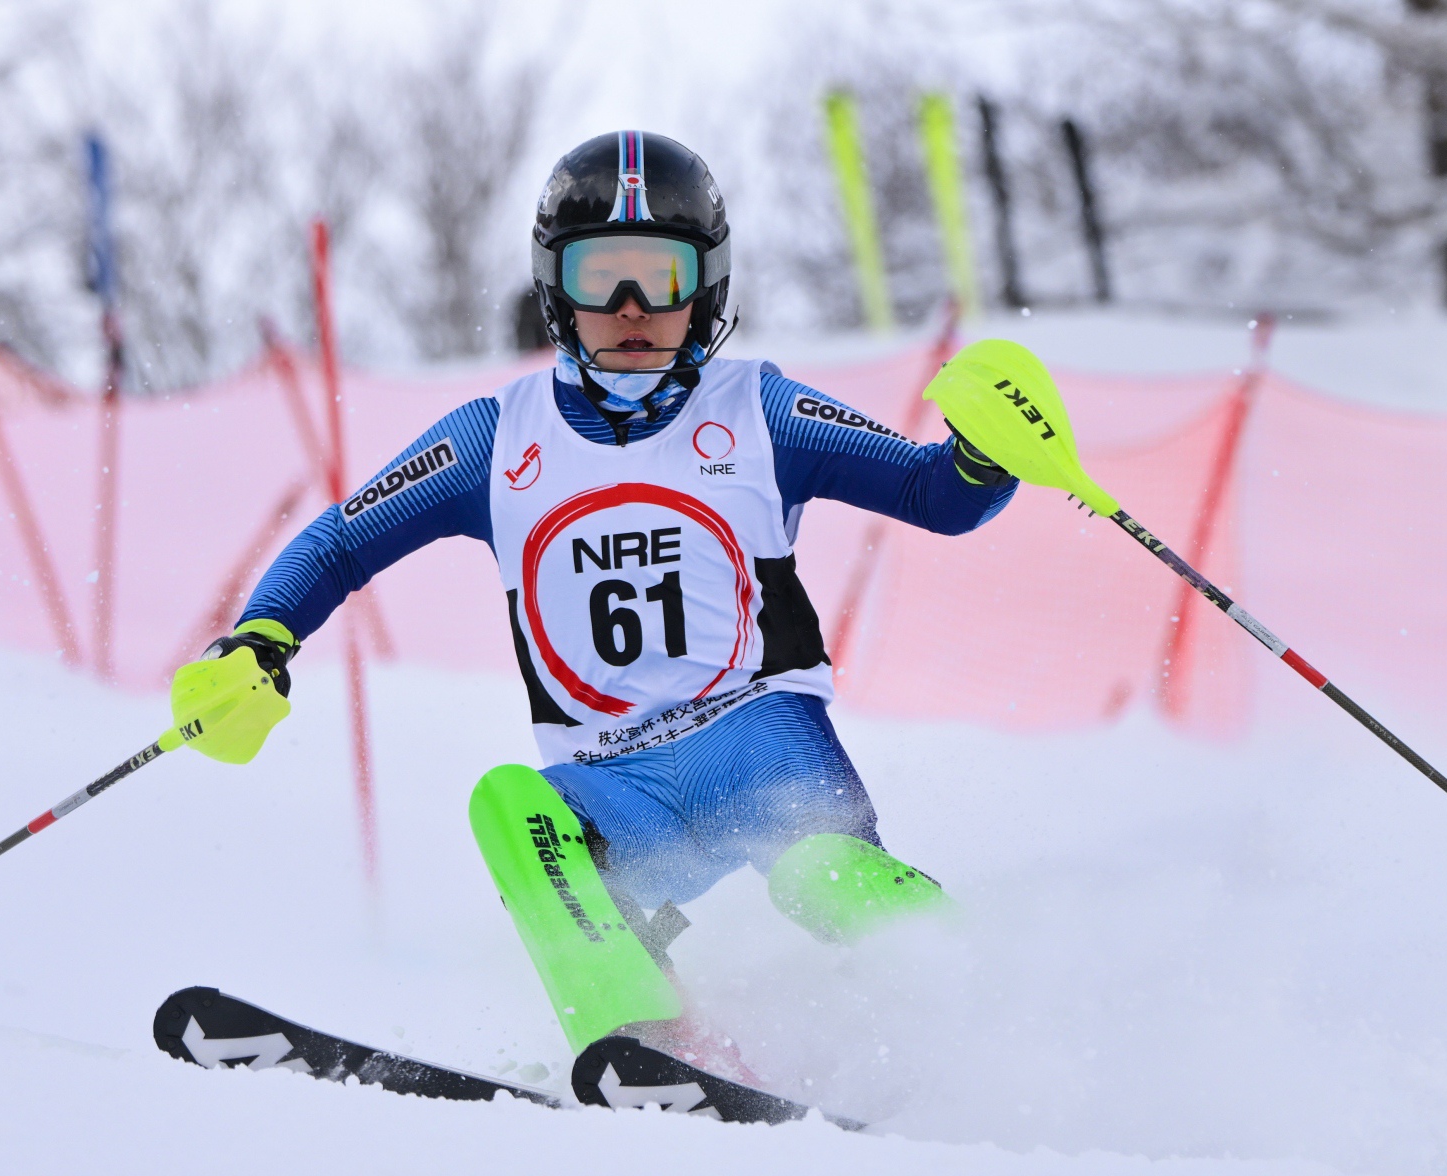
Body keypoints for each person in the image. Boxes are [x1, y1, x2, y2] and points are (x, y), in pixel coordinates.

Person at [168, 132, 1039, 1115]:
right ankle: (655, 1040)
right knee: (512, 807)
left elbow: (936, 492)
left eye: (661, 278)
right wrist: (259, 639)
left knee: (819, 873)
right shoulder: (496, 438)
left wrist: (987, 451)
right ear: (556, 288)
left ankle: (968, 995)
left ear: (706, 288)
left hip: (758, 747)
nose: (630, 309)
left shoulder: (760, 409)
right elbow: (340, 541)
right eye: (599, 277)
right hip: (613, 785)